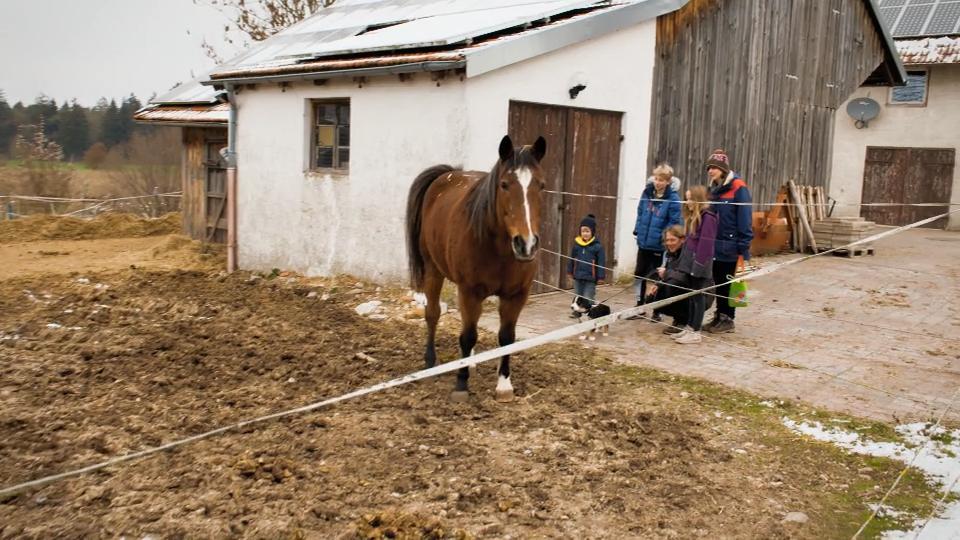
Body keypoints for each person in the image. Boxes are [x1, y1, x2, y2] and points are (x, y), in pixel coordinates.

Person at [704, 149, 753, 334]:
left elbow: (745, 217)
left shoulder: (738, 187)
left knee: (728, 283)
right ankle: (720, 314)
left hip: (731, 245)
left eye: (714, 168)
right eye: (709, 167)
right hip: (715, 244)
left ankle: (728, 318)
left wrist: (744, 246)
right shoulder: (714, 189)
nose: (710, 171)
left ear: (723, 169)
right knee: (718, 282)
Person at [628, 164, 682, 321]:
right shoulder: (647, 193)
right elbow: (640, 212)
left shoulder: (673, 199)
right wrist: (638, 230)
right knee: (640, 274)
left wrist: (663, 237)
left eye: (662, 180)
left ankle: (657, 310)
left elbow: (673, 221)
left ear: (668, 181)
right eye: (657, 179)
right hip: (643, 243)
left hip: (659, 245)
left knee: (659, 276)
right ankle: (640, 306)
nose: (658, 182)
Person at [669, 185, 717, 344]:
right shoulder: (693, 217)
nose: (687, 201)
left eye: (690, 198)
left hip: (700, 264)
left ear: (697, 199)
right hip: (690, 263)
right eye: (686, 197)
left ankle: (696, 331)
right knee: (691, 296)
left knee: (698, 297)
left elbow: (706, 245)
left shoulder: (708, 217)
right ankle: (689, 327)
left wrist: (698, 264)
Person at [643, 225, 688, 333]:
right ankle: (677, 318)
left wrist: (666, 273)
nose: (669, 243)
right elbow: (667, 276)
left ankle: (682, 320)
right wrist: (657, 285)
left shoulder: (687, 254)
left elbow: (685, 278)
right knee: (651, 298)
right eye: (667, 240)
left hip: (695, 294)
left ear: (682, 239)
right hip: (677, 286)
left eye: (673, 240)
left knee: (673, 286)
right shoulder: (671, 254)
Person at [567, 214, 606, 319]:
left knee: (588, 296)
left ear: (592, 232)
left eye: (587, 231)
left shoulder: (597, 247)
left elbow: (601, 263)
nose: (585, 234)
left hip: (590, 278)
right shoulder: (576, 245)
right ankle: (577, 311)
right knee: (577, 295)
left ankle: (591, 313)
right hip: (578, 276)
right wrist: (570, 271)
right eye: (583, 231)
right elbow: (571, 259)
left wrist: (601, 277)